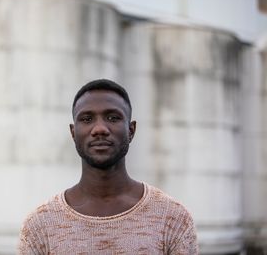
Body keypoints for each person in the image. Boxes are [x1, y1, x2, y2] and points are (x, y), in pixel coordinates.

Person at [18, 79, 198, 254]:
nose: (99, 129)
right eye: (87, 119)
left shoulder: (173, 219)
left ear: (131, 130)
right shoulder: (39, 226)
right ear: (73, 133)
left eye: (113, 118)